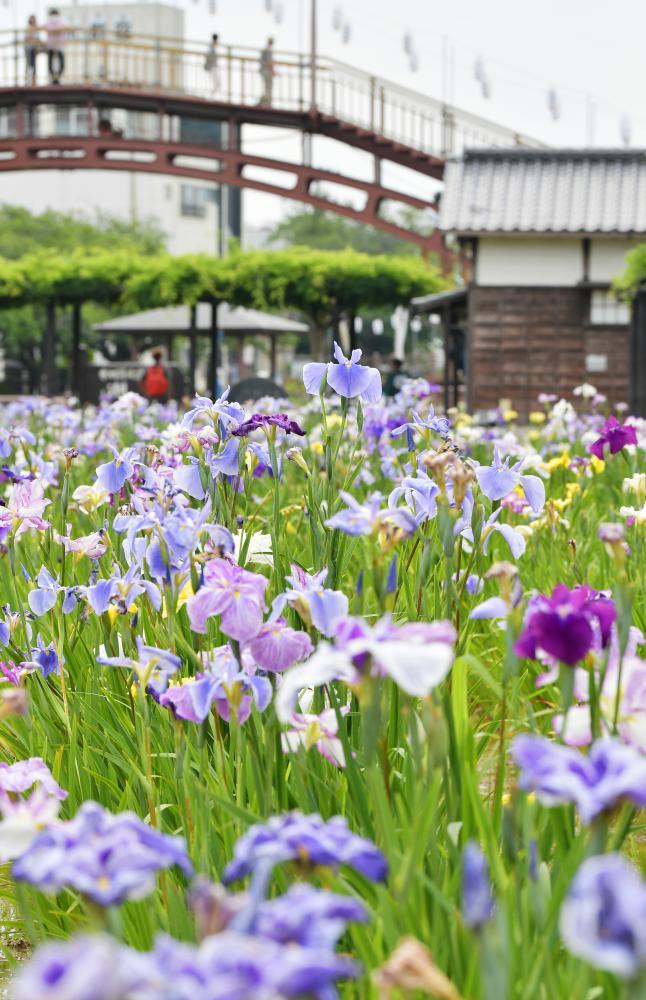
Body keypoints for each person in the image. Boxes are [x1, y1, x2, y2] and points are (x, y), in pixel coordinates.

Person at [44, 8, 69, 84]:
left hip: (59, 45)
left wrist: (53, 30)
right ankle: (54, 79)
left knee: (61, 64)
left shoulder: (61, 20)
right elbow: (47, 29)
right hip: (52, 45)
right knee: (51, 63)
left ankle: (57, 78)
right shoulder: (49, 21)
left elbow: (65, 27)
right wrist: (58, 30)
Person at [24, 15, 40, 86]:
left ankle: (33, 81)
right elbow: (27, 39)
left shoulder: (36, 29)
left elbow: (37, 39)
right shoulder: (28, 29)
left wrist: (37, 47)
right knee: (29, 65)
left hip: (33, 48)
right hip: (28, 49)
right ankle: (28, 81)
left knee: (33, 65)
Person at [259, 37, 275, 105]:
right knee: (268, 86)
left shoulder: (265, 50)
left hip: (264, 70)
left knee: (267, 86)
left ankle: (266, 100)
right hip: (266, 71)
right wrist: (272, 70)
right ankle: (267, 101)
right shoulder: (268, 50)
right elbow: (269, 62)